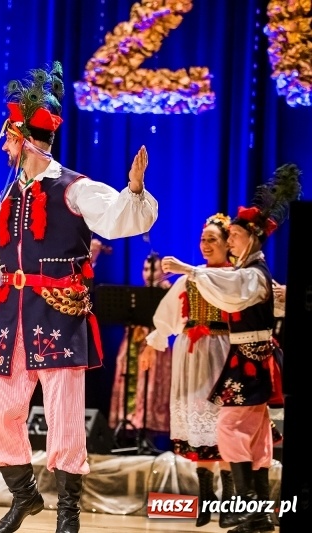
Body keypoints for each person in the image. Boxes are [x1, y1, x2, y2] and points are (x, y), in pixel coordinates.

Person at [0, 63, 157, 533]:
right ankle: (24, 494)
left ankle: (68, 510)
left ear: (25, 138)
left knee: (64, 416)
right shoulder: (9, 192)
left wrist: (134, 191)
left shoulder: (74, 187)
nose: (6, 146)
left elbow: (119, 219)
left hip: (58, 312)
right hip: (11, 315)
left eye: (10, 137)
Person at [161, 163, 301, 533]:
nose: (231, 242)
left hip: (250, 360)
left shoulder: (251, 274)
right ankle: (255, 513)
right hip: (250, 359)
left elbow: (231, 288)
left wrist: (189, 270)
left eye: (235, 236)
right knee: (254, 434)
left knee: (230, 428)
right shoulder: (254, 274)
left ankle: (246, 506)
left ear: (250, 239)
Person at [146, 214, 235, 527]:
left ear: (228, 244)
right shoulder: (188, 279)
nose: (206, 245)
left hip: (223, 352)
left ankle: (230, 502)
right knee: (200, 427)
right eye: (203, 240)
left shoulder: (235, 276)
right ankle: (206, 498)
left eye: (213, 239)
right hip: (192, 354)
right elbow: (168, 314)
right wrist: (153, 343)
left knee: (224, 425)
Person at [107, 253, 172, 440]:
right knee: (129, 383)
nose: (148, 273)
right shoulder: (137, 294)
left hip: (154, 346)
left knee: (151, 385)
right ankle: (128, 429)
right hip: (133, 345)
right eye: (145, 269)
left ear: (162, 271)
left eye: (153, 268)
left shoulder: (166, 292)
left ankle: (148, 432)